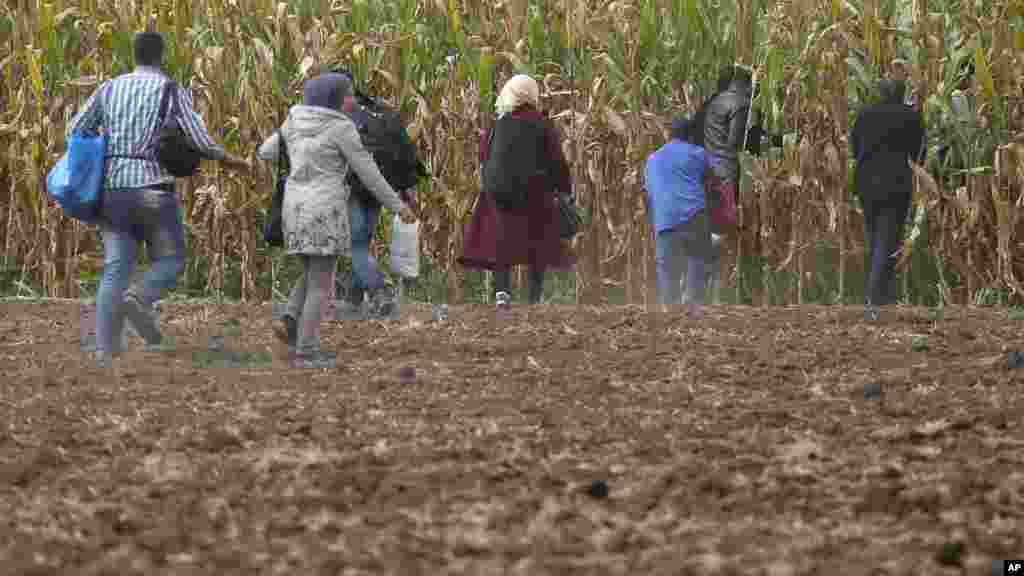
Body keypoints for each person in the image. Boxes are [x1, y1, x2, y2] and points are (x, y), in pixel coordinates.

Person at [66, 31, 251, 369]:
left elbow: (77, 128)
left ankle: (106, 352)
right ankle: (141, 297)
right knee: (171, 259)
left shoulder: (109, 87)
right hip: (152, 188)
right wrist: (230, 160)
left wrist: (107, 152)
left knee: (116, 268)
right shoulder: (168, 88)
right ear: (161, 55)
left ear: (133, 54)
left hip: (111, 191)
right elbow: (199, 138)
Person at [257, 73, 416, 368]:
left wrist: (298, 154)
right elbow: (369, 174)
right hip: (325, 208)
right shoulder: (340, 128)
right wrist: (397, 206)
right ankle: (307, 350)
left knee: (312, 270)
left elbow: (265, 152)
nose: (352, 101)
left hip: (294, 208)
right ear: (333, 98)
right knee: (322, 283)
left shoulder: (294, 119)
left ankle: (290, 320)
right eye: (347, 95)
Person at [459, 74, 574, 308]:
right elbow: (556, 161)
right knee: (538, 240)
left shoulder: (499, 123)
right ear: (532, 94)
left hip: (500, 195)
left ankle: (502, 292)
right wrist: (564, 190)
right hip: (535, 194)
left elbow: (484, 156)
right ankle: (534, 295)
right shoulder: (542, 123)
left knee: (501, 240)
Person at [332, 68, 422, 317]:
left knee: (358, 245)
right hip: (380, 186)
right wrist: (405, 187)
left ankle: (379, 292)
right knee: (363, 239)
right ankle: (352, 296)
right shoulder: (378, 110)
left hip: (353, 187)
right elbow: (404, 148)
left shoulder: (338, 115)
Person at [850, 79, 926, 321]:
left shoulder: (864, 114)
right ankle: (874, 300)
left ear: (880, 94)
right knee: (887, 239)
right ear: (901, 94)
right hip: (894, 184)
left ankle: (885, 298)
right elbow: (918, 153)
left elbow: (854, 148)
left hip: (864, 182)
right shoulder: (910, 116)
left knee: (875, 238)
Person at [644, 117, 713, 316]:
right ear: (690, 135)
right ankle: (693, 307)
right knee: (698, 259)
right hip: (693, 215)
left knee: (667, 266)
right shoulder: (698, 154)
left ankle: (669, 308)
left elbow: (649, 190)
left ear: (669, 135)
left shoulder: (653, 158)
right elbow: (712, 180)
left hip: (664, 218)